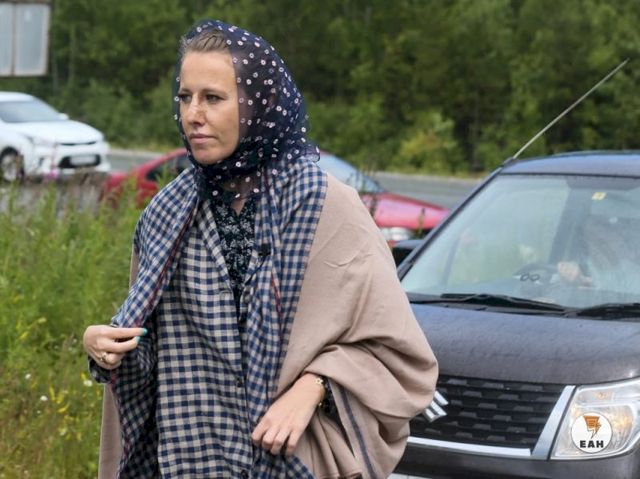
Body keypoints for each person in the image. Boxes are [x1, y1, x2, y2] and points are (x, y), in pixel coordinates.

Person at [83, 19, 437, 479]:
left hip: (294, 462)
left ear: (260, 104)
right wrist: (107, 347)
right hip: (188, 461)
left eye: (213, 98)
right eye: (185, 97)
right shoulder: (166, 213)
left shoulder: (325, 208)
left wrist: (315, 385)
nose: (193, 114)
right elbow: (151, 356)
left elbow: (397, 355)